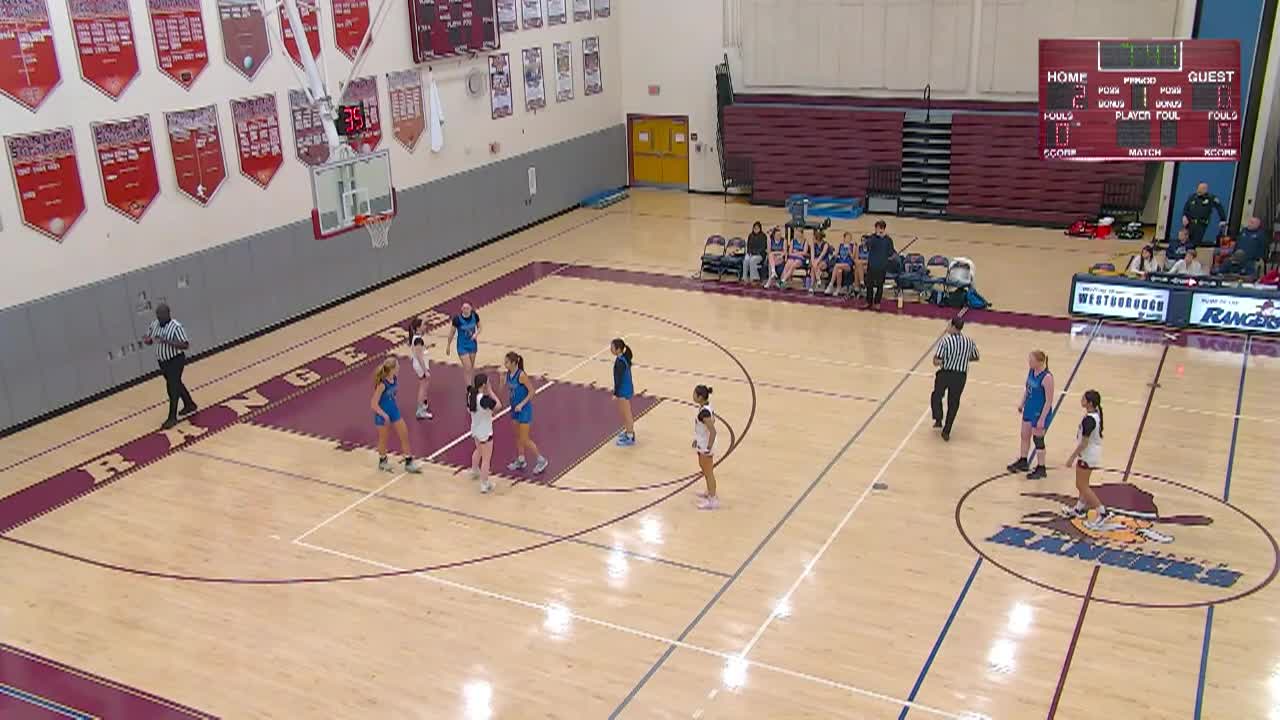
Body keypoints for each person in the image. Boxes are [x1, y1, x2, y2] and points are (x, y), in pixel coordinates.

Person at [1062, 390, 1111, 530]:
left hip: (1088, 454)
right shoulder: (1094, 415)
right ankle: (1079, 509)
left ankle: (1102, 512)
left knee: (1081, 485)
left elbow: (1084, 443)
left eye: (1083, 398)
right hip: (1092, 453)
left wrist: (1071, 457)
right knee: (1084, 483)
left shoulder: (1089, 420)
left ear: (1089, 403)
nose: (1081, 399)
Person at [143, 303, 197, 430]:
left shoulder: (176, 327)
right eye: (157, 315)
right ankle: (189, 404)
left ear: (168, 314)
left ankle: (172, 417)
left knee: (172, 387)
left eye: (161, 315)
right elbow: (149, 337)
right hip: (163, 362)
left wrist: (167, 341)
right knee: (176, 383)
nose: (159, 318)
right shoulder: (154, 324)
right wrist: (148, 340)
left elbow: (185, 345)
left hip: (176, 360)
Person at [369, 357, 423, 474]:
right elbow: (373, 404)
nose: (399, 368)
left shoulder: (395, 378)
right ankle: (382, 461)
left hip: (394, 411)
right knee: (383, 439)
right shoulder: (382, 384)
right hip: (382, 415)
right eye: (397, 366)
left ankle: (409, 462)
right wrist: (384, 415)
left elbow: (392, 395)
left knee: (404, 434)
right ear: (392, 369)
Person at [1008, 350, 1054, 480]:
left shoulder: (1047, 377)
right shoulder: (1031, 371)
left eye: (1031, 361)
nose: (1029, 362)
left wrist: (1042, 419)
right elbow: (1027, 390)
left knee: (1038, 440)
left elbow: (1049, 401)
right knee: (1024, 435)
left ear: (1039, 362)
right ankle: (1023, 461)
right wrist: (1022, 404)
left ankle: (1041, 468)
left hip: (1039, 412)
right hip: (1029, 409)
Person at [931, 318, 979, 441]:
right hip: (960, 376)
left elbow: (936, 361)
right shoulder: (969, 341)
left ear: (953, 326)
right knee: (954, 402)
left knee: (937, 395)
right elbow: (976, 357)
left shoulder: (946, 340)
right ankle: (946, 431)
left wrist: (944, 360)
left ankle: (938, 418)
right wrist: (962, 359)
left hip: (946, 373)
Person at [504, 352, 548, 475]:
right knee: (517, 436)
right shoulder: (508, 375)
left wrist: (521, 404)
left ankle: (541, 460)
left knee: (525, 438)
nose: (504, 364)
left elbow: (532, 392)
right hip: (514, 409)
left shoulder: (521, 375)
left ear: (513, 363)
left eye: (507, 362)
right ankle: (521, 459)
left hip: (524, 410)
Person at [467, 373, 500, 494]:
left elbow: (470, 409)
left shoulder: (471, 395)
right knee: (486, 459)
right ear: (485, 384)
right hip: (485, 433)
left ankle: (474, 470)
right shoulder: (484, 400)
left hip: (475, 429)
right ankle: (484, 483)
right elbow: (498, 406)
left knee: (478, 451)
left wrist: (487, 413)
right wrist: (491, 391)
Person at [691, 384, 719, 510]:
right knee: (705, 469)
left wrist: (708, 447)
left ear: (700, 397)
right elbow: (704, 428)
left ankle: (713, 500)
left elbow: (712, 431)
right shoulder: (706, 407)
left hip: (706, 445)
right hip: (702, 443)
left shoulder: (705, 413)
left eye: (695, 394)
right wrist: (697, 440)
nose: (693, 396)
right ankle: (709, 492)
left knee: (708, 472)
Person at [863, 220, 897, 309]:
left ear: (882, 228)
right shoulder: (872, 237)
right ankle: (868, 301)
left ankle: (877, 302)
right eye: (876, 228)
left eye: (878, 228)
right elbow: (866, 245)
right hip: (872, 265)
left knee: (880, 285)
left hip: (882, 266)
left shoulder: (888, 240)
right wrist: (875, 237)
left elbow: (891, 253)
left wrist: (892, 256)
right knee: (869, 284)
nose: (876, 229)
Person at [446, 302, 481, 387]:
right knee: (467, 366)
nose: (465, 310)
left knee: (471, 367)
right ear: (461, 309)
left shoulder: (475, 316)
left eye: (467, 308)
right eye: (464, 308)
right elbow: (452, 333)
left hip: (472, 345)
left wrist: (475, 334)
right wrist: (448, 345)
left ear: (471, 309)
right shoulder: (457, 319)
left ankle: (470, 383)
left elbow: (480, 327)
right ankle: (469, 387)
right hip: (462, 346)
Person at [1182, 182, 1227, 247]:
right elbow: (1186, 208)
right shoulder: (1192, 197)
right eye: (1199, 188)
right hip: (1190, 224)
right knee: (1185, 241)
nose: (1200, 190)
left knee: (1194, 243)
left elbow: (1219, 208)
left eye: (1203, 188)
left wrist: (1223, 219)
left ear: (1206, 189)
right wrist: (1184, 216)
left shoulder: (1211, 198)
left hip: (1201, 224)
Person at [611, 338, 636, 446]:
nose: (610, 349)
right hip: (625, 388)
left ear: (618, 349)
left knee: (627, 414)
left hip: (624, 390)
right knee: (624, 412)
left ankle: (630, 436)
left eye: (612, 347)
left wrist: (616, 393)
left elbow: (618, 379)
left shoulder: (620, 362)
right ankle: (628, 431)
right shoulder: (623, 358)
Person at [407, 317, 433, 420]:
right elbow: (419, 356)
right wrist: (425, 371)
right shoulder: (418, 340)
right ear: (418, 327)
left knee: (424, 386)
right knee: (423, 387)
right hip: (420, 366)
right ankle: (420, 410)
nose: (425, 326)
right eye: (423, 325)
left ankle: (423, 404)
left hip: (420, 365)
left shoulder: (417, 338)